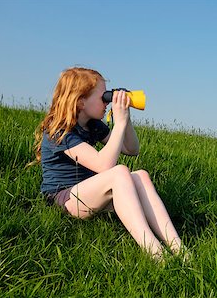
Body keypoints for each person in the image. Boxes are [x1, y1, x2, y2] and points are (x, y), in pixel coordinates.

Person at [31, 67, 184, 260]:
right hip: (64, 199)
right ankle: (155, 252)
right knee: (119, 172)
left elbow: (131, 149)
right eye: (103, 97)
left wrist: (125, 120)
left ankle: (178, 248)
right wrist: (118, 124)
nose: (107, 101)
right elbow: (104, 166)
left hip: (88, 194)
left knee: (141, 175)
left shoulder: (93, 125)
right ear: (81, 101)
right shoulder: (60, 131)